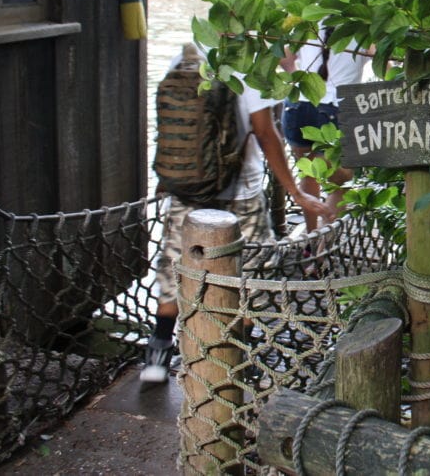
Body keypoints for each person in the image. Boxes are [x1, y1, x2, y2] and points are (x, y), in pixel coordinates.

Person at [141, 47, 333, 383]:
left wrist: (168, 178)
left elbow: (173, 126)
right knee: (254, 272)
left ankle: (157, 357)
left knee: (173, 267)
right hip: (240, 193)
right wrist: (295, 191)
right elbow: (265, 133)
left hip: (188, 190)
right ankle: (240, 359)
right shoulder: (249, 67)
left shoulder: (185, 57)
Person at [280, 26, 369, 230]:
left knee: (309, 174)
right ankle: (322, 248)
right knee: (341, 184)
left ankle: (311, 237)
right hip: (336, 108)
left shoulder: (310, 22)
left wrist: (296, 77)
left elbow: (284, 59)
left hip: (298, 105)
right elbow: (382, 59)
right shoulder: (362, 27)